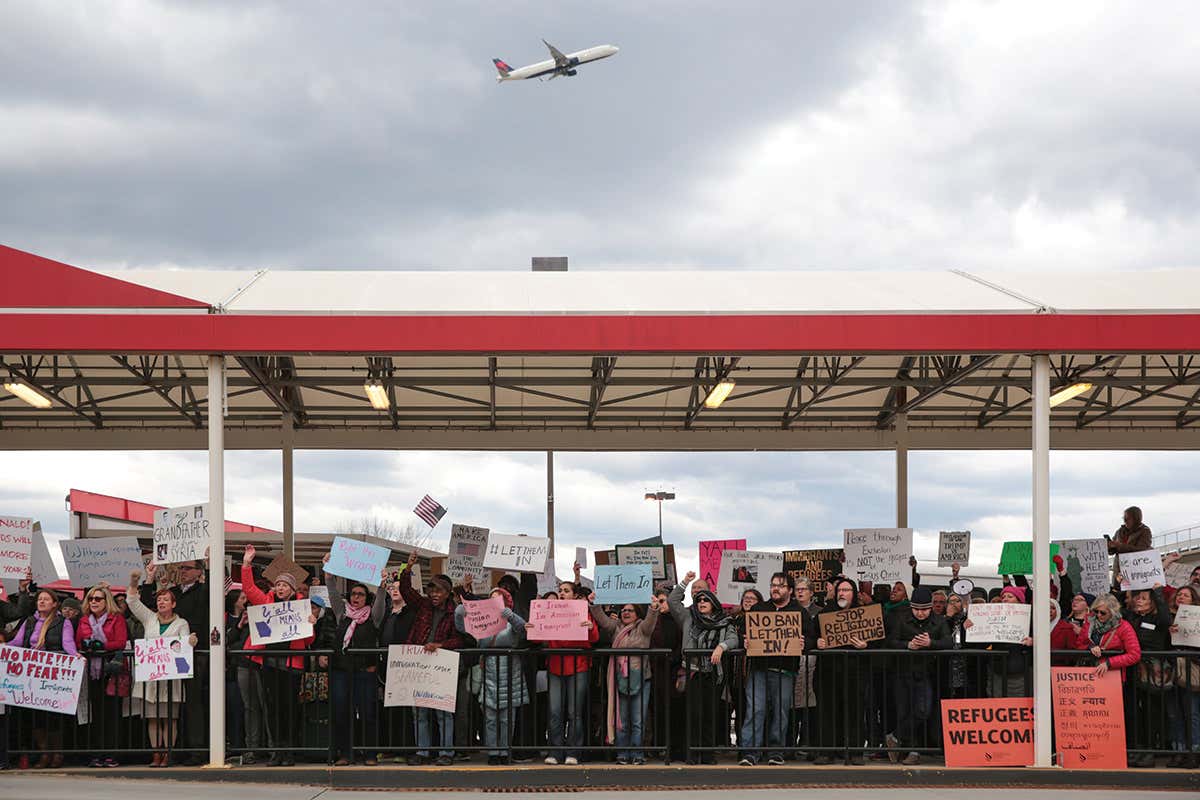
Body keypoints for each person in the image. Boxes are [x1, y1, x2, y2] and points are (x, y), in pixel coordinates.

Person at [240, 545, 316, 766]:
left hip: (292, 666)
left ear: (292, 589)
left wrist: (311, 624)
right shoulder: (266, 603)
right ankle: (278, 751)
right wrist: (246, 563)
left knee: (290, 709)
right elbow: (249, 587)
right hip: (270, 664)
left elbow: (309, 641)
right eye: (278, 584)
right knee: (272, 709)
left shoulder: (301, 608)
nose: (280, 587)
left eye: (285, 585)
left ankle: (290, 751)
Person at [738, 572, 814, 767]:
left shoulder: (800, 613)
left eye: (780, 585)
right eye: (773, 585)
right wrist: (745, 641)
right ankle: (750, 752)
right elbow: (743, 633)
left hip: (785, 671)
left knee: (780, 713)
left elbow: (812, 639)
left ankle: (776, 752)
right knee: (755, 710)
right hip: (759, 670)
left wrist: (804, 643)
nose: (775, 589)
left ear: (789, 590)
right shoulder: (758, 609)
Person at [126, 567, 198, 767]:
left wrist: (190, 641)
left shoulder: (181, 623)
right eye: (159, 600)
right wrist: (134, 582)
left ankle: (168, 752)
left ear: (173, 604)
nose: (161, 602)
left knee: (169, 718)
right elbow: (132, 601)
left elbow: (184, 643)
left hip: (170, 678)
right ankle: (155, 753)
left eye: (165, 599)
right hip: (151, 677)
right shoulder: (149, 618)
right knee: (152, 718)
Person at [141, 558, 210, 766]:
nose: (183, 571)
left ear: (199, 572)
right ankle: (174, 750)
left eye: (188, 568)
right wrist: (150, 579)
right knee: (170, 705)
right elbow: (149, 605)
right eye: (181, 568)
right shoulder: (174, 592)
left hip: (194, 654)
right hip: (167, 657)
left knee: (192, 703)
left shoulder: (204, 591)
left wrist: (211, 564)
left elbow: (213, 593)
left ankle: (197, 750)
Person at [399, 550, 464, 766]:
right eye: (431, 591)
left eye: (439, 591)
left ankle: (446, 752)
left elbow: (461, 640)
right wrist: (408, 568)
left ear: (447, 593)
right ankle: (423, 751)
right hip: (420, 664)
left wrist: (440, 645)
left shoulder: (454, 612)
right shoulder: (423, 605)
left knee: (443, 713)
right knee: (420, 712)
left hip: (441, 667)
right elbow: (406, 591)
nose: (434, 595)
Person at [668, 573, 738, 765]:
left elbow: (733, 639)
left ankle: (707, 754)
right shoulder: (688, 618)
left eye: (706, 599)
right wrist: (685, 582)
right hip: (693, 672)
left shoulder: (725, 621)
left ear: (714, 602)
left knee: (710, 714)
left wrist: (721, 647)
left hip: (714, 674)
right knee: (694, 714)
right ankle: (693, 754)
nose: (701, 602)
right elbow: (672, 601)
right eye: (698, 600)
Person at [320, 552, 381, 766]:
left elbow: (381, 600)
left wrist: (381, 584)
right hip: (341, 671)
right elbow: (332, 590)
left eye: (361, 594)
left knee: (367, 713)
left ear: (367, 598)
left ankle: (370, 753)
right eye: (354, 594)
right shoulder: (341, 613)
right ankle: (345, 753)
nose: (356, 597)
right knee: (341, 713)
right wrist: (328, 571)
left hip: (365, 671)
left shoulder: (373, 616)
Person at [454, 584, 526, 764]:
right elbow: (462, 627)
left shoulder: (511, 620)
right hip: (489, 670)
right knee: (491, 717)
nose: (495, 602)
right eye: (492, 598)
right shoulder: (483, 620)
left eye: (498, 598)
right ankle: (493, 753)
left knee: (507, 718)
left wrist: (509, 615)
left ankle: (505, 751)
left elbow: (524, 630)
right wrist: (460, 610)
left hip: (510, 671)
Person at [10, 587, 79, 768]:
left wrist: (75, 655)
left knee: (53, 718)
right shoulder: (30, 621)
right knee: (35, 718)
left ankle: (57, 754)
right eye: (40, 599)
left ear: (55, 604)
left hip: (51, 677)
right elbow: (17, 642)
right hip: (31, 677)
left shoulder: (62, 622)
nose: (41, 601)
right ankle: (44, 753)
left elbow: (67, 642)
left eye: (46, 599)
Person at [590, 594, 660, 764]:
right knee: (621, 719)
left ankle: (637, 754)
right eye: (623, 610)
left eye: (630, 610)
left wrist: (653, 607)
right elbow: (601, 619)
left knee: (638, 719)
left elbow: (651, 621)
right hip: (619, 679)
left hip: (642, 679)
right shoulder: (615, 627)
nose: (626, 613)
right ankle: (622, 754)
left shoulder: (643, 628)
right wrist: (593, 603)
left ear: (637, 613)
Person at [884, 587, 950, 765]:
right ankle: (912, 751)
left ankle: (895, 736)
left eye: (925, 609)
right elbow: (890, 642)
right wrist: (908, 645)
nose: (920, 613)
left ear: (930, 608)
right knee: (904, 711)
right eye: (917, 609)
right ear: (911, 607)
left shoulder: (939, 621)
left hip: (926, 673)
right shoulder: (901, 619)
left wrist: (931, 643)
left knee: (923, 711)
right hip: (902, 672)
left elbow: (948, 642)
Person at [544, 572, 598, 765]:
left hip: (578, 667)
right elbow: (536, 638)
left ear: (575, 596)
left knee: (574, 712)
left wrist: (590, 628)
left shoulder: (583, 612)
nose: (562, 593)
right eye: (560, 591)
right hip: (556, 667)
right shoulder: (549, 612)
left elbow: (594, 639)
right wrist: (532, 627)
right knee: (555, 711)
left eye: (566, 591)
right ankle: (555, 751)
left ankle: (573, 752)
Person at [815, 577, 869, 765]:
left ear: (853, 594)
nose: (842, 593)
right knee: (828, 712)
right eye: (839, 590)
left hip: (855, 672)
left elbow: (878, 637)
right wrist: (817, 642)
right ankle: (827, 751)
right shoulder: (825, 613)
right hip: (829, 672)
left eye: (846, 590)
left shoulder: (862, 614)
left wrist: (865, 645)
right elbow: (812, 634)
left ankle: (855, 752)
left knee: (854, 712)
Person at [76, 583, 130, 767]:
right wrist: (87, 646)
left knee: (111, 714)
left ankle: (111, 754)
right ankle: (97, 753)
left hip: (111, 671)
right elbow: (78, 641)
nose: (93, 601)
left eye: (97, 598)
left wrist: (101, 646)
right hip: (92, 672)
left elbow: (121, 642)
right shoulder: (84, 620)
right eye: (91, 598)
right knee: (96, 714)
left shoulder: (117, 618)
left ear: (106, 601)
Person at [1123, 586, 1172, 767]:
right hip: (1135, 669)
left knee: (1152, 711)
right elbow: (1121, 608)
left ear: (1152, 603)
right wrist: (1121, 586)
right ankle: (1139, 748)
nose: (1138, 601)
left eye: (1143, 598)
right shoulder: (1133, 618)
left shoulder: (1158, 619)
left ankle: (1151, 750)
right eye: (1137, 598)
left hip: (1153, 670)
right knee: (1137, 712)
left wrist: (1158, 592)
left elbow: (1166, 618)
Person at [374, 568, 417, 761]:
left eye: (399, 588)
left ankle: (404, 749)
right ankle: (389, 746)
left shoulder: (411, 614)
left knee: (404, 709)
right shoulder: (387, 614)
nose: (395, 590)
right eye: (392, 588)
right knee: (387, 708)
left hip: (406, 666)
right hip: (386, 666)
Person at [1167, 584, 1200, 768]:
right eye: (1179, 594)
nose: (1181, 597)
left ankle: (1193, 752)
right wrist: (1169, 633)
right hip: (1172, 671)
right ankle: (1178, 751)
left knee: (1192, 713)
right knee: (1175, 713)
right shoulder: (1169, 618)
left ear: (1193, 600)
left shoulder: (1198, 618)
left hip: (1192, 669)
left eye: (1186, 595)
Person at [1108, 506, 1152, 589]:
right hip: (1119, 570)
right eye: (1124, 518)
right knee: (1118, 592)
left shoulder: (1145, 531)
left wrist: (1120, 546)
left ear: (1136, 518)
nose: (1125, 521)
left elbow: (1142, 550)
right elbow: (1112, 551)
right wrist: (1110, 547)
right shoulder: (1120, 531)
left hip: (1136, 572)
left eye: (1127, 518)